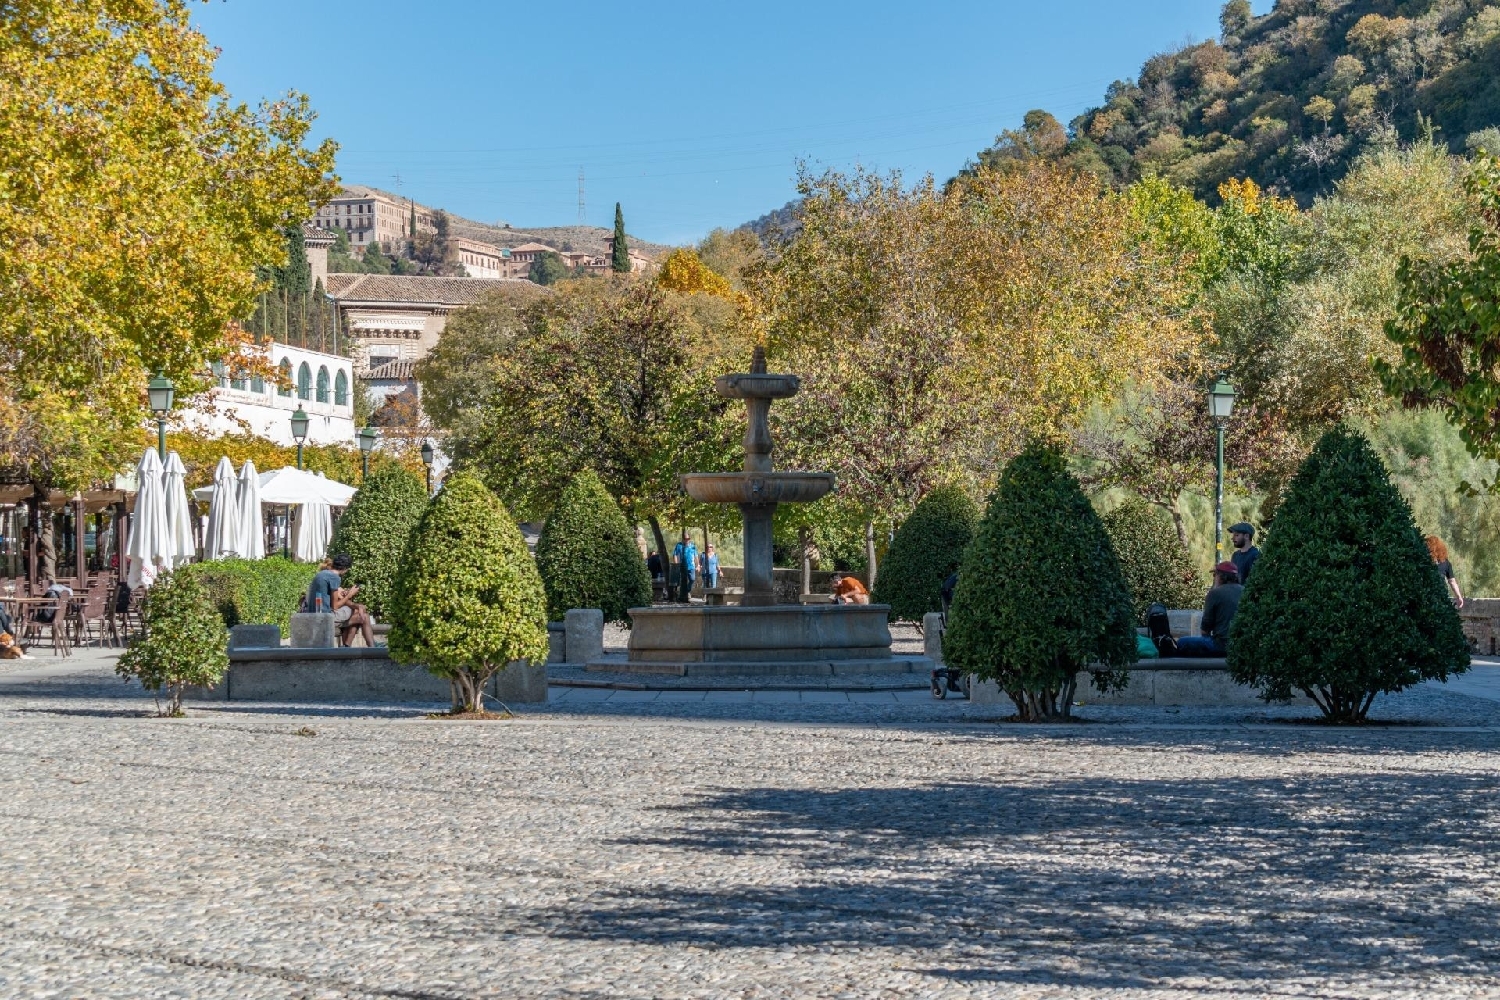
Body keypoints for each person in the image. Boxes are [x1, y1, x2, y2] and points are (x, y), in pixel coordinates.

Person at [1175, 562, 1242, 657]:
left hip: (1221, 646)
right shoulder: (1245, 590)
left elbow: (1205, 630)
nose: (1214, 578)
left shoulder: (1214, 593)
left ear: (1221, 576)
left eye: (1215, 575)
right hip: (1241, 645)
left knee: (1182, 642)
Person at [332, 582, 375, 648]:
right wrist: (349, 595)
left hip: (339, 616)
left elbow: (347, 602)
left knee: (361, 615)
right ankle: (372, 646)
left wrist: (348, 596)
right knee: (362, 615)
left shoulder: (337, 587)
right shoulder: (333, 585)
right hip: (334, 617)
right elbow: (340, 603)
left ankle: (347, 645)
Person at [1426, 535, 1464, 608]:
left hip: (1426, 594)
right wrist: (1459, 596)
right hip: (1440, 594)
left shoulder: (1423, 561)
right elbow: (1452, 582)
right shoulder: (1446, 563)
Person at [671, 533, 698, 603]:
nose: (687, 540)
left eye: (688, 539)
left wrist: (697, 565)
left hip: (691, 566)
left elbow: (696, 556)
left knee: (692, 579)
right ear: (683, 539)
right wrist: (676, 564)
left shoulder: (693, 546)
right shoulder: (679, 545)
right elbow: (675, 555)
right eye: (685, 539)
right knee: (683, 581)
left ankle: (687, 591)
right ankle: (683, 596)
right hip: (682, 566)